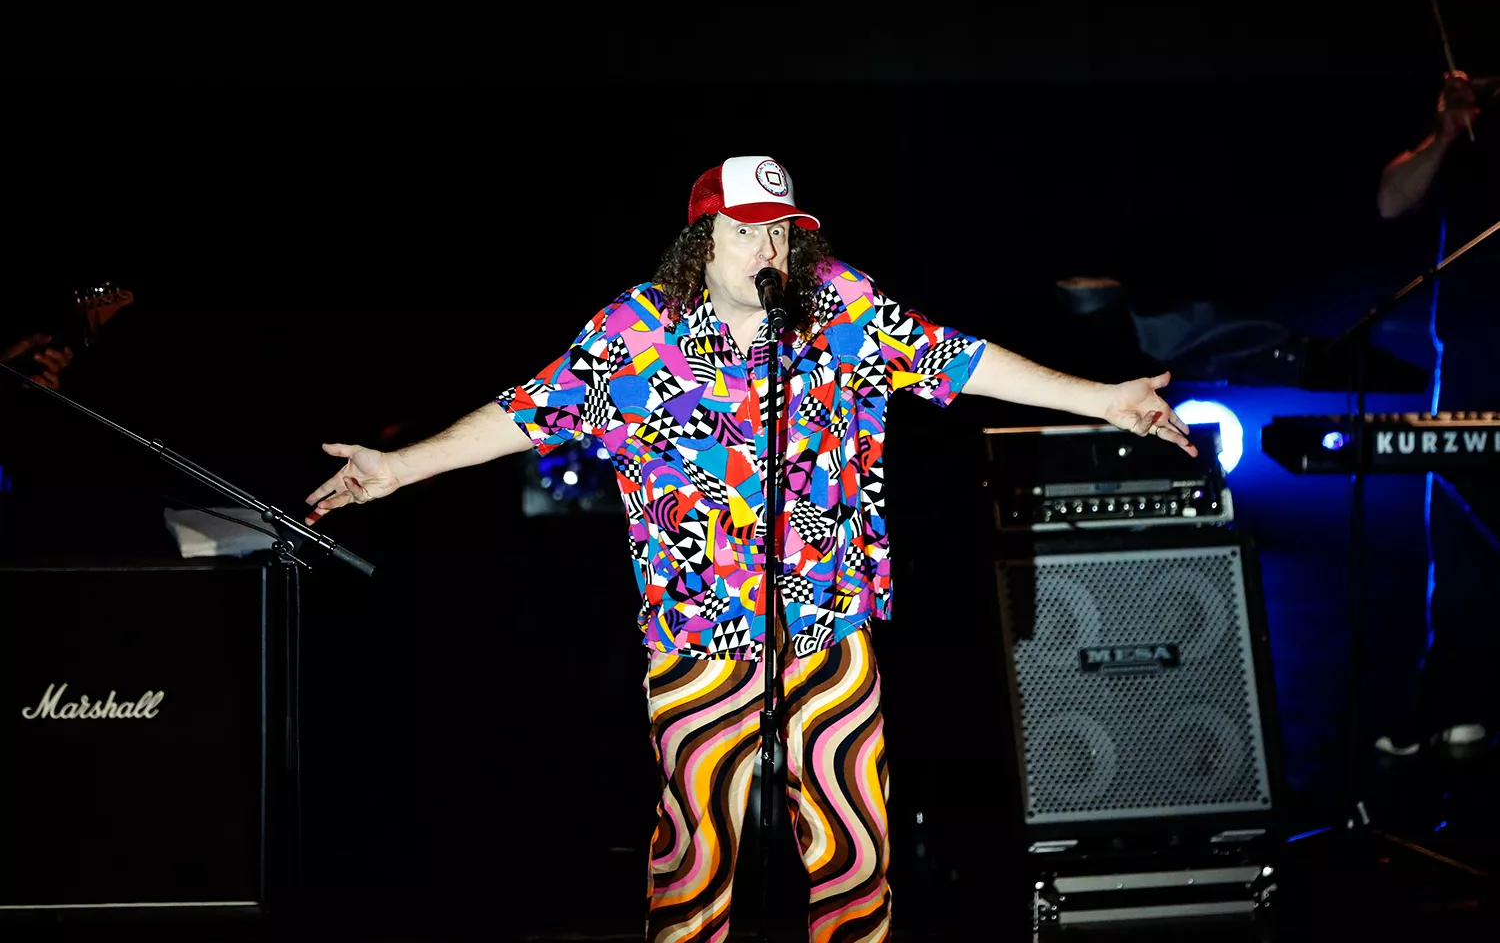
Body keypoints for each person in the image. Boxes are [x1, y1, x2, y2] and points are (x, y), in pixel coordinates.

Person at [303, 156, 1195, 942]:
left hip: (827, 622)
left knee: (855, 847)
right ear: (702, 241)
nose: (767, 251)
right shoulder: (636, 333)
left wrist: (1104, 401)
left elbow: (956, 359)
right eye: (745, 232)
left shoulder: (837, 306)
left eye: (780, 233)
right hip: (698, 629)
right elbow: (524, 412)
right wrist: (399, 468)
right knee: (699, 847)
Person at [1374, 71, 1499, 757]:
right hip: (1475, 360)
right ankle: (1451, 701)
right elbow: (1391, 200)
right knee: (1459, 542)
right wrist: (1445, 134)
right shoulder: (1474, 125)